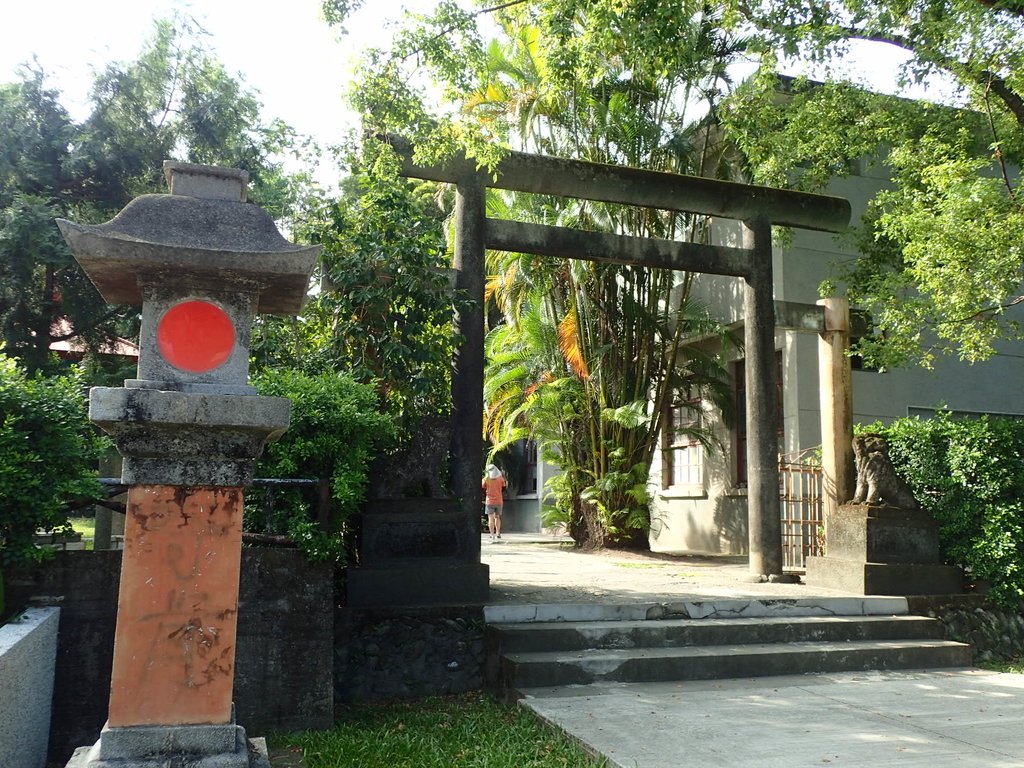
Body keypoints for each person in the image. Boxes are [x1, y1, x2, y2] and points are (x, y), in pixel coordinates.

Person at [482, 463, 507, 540]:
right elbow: (504, 487)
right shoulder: (500, 479)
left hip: (489, 501)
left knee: (490, 518)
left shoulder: (486, 479)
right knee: (497, 517)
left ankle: (492, 534)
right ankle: (498, 533)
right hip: (499, 501)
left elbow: (483, 487)